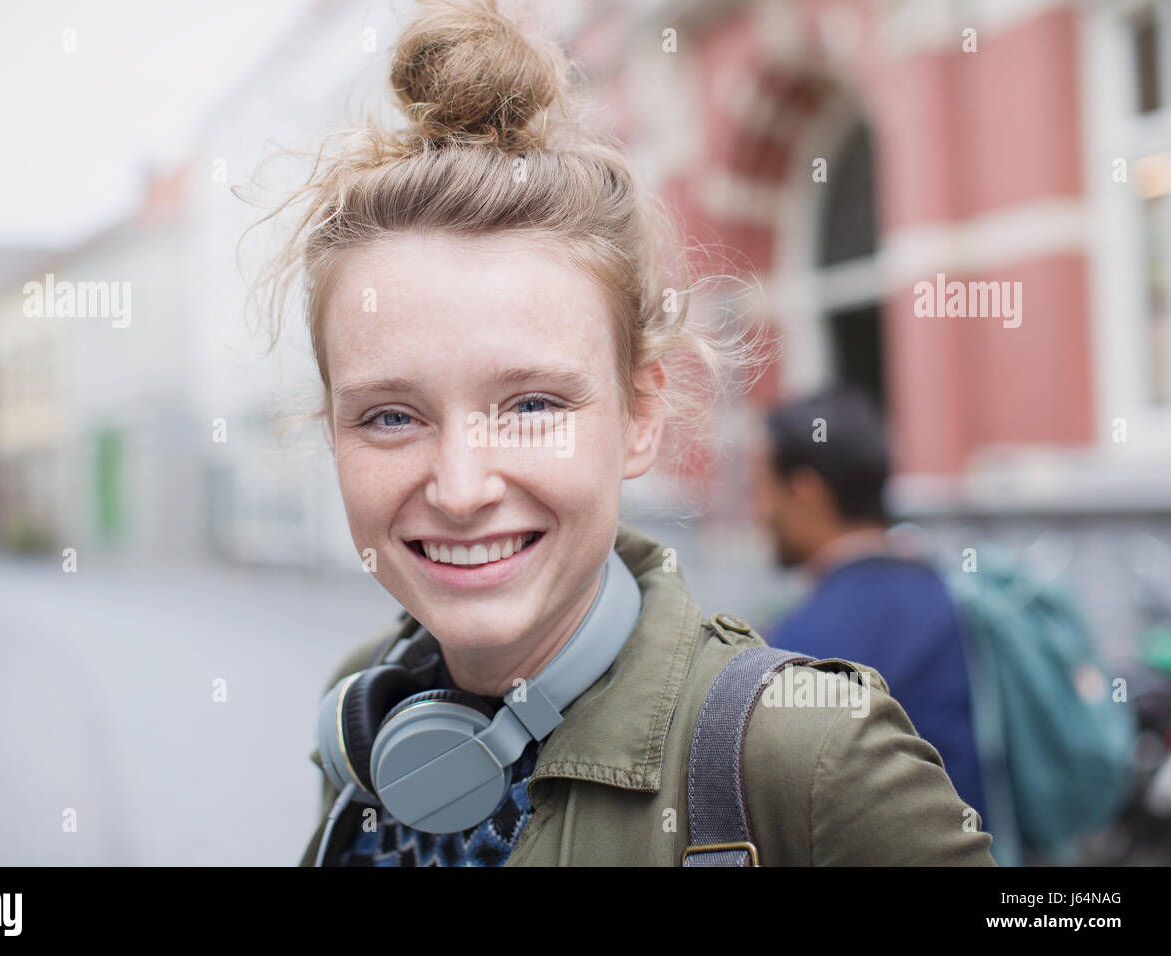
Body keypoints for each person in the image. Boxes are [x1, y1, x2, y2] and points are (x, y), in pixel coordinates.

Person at [254, 0, 994, 866]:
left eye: (531, 406)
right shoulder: (365, 718)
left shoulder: (810, 759)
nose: (460, 488)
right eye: (391, 416)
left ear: (641, 416)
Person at [749, 386, 990, 834]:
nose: (760, 512)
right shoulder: (951, 595)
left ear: (806, 491)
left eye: (763, 489)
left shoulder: (798, 647)